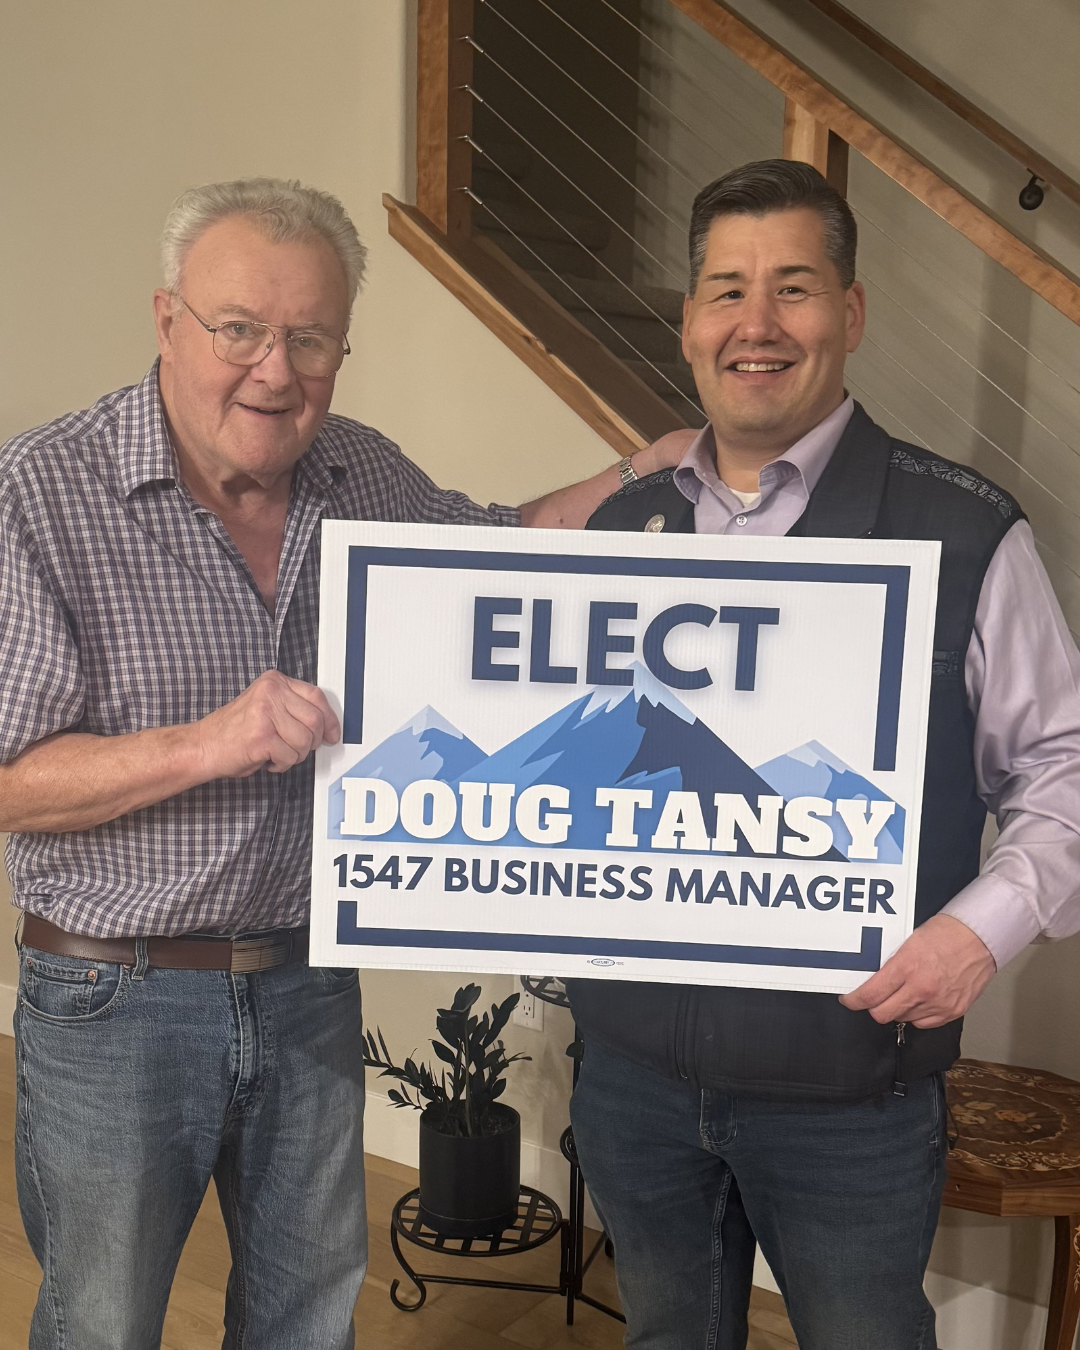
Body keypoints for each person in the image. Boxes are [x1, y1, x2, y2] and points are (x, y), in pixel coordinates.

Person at [0, 176, 679, 1350]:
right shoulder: (39, 493)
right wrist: (215, 741)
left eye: (310, 339)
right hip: (118, 994)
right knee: (102, 1324)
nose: (275, 370)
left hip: (308, 981)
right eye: (240, 331)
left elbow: (502, 552)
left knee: (309, 1320)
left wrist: (641, 469)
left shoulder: (357, 472)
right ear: (167, 321)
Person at [567, 160, 1080, 1350]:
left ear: (849, 315)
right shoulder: (624, 525)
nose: (756, 324)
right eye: (725, 290)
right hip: (634, 1075)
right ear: (690, 321)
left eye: (793, 288)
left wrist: (978, 932)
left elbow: (1062, 771)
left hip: (851, 1085)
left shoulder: (964, 532)